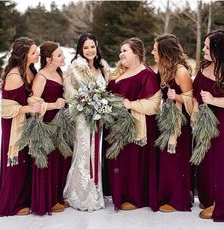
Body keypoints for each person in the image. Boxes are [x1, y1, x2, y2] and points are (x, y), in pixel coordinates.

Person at [107, 37, 161, 211]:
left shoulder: (148, 75)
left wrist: (131, 105)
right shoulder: (118, 72)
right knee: (119, 159)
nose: (120, 54)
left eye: (125, 51)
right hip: (117, 125)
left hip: (138, 125)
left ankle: (135, 196)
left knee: (133, 161)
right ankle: (119, 194)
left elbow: (154, 104)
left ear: (136, 53)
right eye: (121, 50)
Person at [63, 33, 110, 211]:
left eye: (92, 46)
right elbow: (69, 93)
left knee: (96, 153)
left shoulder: (104, 67)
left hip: (99, 118)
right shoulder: (75, 68)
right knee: (83, 152)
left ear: (97, 47)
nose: (90, 50)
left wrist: (102, 105)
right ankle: (79, 195)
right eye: (86, 47)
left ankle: (96, 192)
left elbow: (108, 90)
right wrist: (85, 103)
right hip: (82, 118)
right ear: (80, 50)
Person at [0, 37, 40, 216]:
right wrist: (27, 108)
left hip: (26, 120)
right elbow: (6, 108)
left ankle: (25, 198)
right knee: (17, 160)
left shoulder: (29, 70)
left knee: (27, 160)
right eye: (33, 53)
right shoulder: (14, 75)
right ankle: (12, 204)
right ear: (23, 55)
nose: (37, 55)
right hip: (14, 123)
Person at [151, 34, 193, 212]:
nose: (153, 52)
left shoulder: (181, 71)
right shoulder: (162, 68)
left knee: (176, 160)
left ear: (164, 51)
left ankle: (178, 199)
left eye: (155, 49)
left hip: (180, 124)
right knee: (166, 160)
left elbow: (192, 99)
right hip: (165, 119)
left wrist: (176, 96)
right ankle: (166, 195)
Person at [30, 41, 71, 215]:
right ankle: (46, 200)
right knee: (49, 161)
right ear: (48, 59)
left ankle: (56, 196)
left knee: (61, 160)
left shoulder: (59, 73)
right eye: (59, 55)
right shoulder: (41, 77)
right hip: (46, 123)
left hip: (60, 123)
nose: (63, 58)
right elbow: (33, 103)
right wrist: (53, 105)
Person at [193, 29, 224, 221]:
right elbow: (196, 91)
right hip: (205, 123)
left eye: (207, 47)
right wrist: (195, 115)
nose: (203, 50)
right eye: (204, 45)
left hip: (222, 123)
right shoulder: (205, 66)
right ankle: (207, 197)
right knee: (206, 161)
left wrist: (213, 99)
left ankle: (219, 202)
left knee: (220, 163)